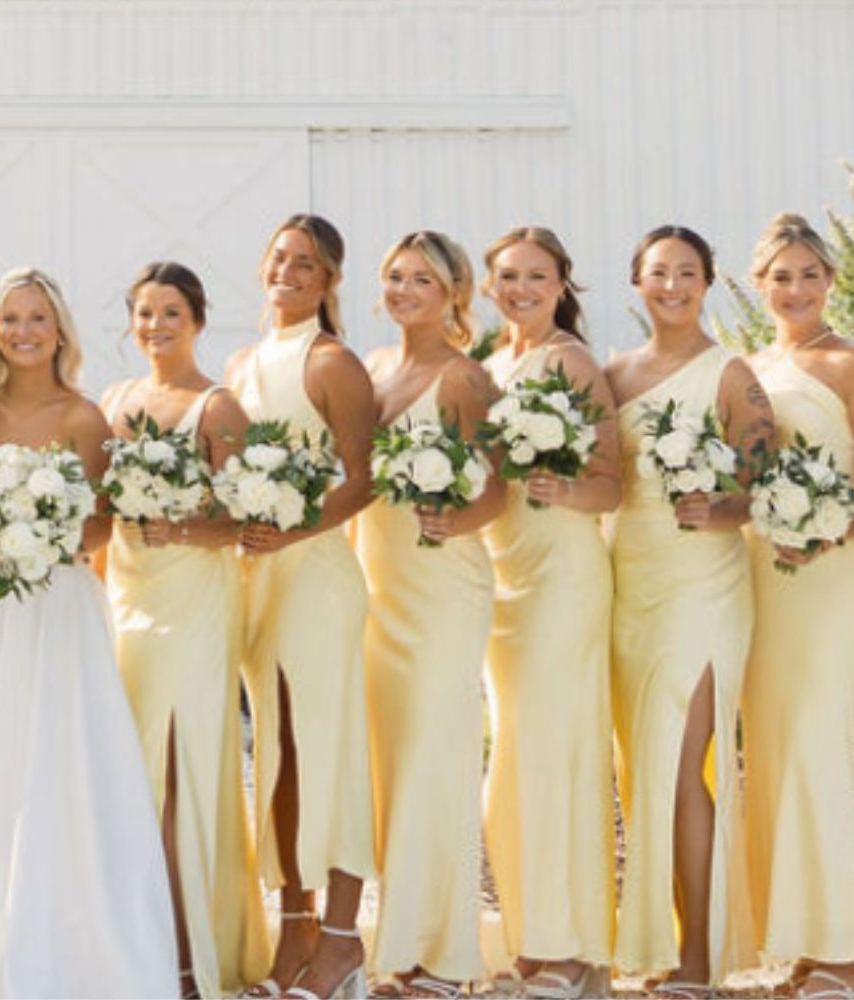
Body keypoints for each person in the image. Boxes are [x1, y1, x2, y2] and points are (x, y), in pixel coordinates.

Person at [0, 267, 180, 996]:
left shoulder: (83, 416)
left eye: (37, 319)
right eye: (11, 319)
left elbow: (102, 525)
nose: (23, 331)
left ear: (59, 332)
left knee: (57, 755)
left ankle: (70, 935)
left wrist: (46, 532)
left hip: (57, 605)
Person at [601, 226, 771, 998]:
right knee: (643, 767)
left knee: (680, 764)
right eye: (658, 273)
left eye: (687, 273)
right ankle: (664, 940)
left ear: (707, 283)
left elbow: (766, 487)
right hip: (629, 581)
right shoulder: (613, 375)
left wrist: (721, 507)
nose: (672, 286)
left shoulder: (731, 375)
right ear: (637, 283)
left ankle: (700, 954)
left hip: (703, 583)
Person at [738, 214, 854, 999]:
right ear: (758, 284)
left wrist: (825, 532)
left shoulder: (852, 364)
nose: (795, 290)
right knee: (774, 750)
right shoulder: (749, 367)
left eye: (809, 275)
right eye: (781, 277)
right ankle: (806, 948)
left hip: (834, 574)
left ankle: (841, 956)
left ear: (830, 281)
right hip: (762, 577)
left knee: (817, 742)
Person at [98, 261, 268, 999]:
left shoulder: (218, 407)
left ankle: (188, 955)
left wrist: (186, 529)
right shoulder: (115, 401)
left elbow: (247, 514)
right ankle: (133, 945)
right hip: (126, 598)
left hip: (193, 602)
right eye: (145, 313)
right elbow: (98, 510)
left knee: (179, 768)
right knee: (130, 771)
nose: (156, 326)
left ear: (197, 320)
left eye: (171, 312)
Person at [225, 213, 378, 1000]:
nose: (287, 272)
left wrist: (292, 530)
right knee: (280, 756)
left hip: (315, 576)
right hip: (258, 582)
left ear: (328, 281)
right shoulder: (242, 363)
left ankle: (343, 939)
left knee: (329, 751)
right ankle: (294, 932)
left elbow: (364, 478)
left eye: (306, 264)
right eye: (279, 257)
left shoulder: (332, 362)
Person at [351, 231, 505, 998]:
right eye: (395, 277)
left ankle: (442, 954)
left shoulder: (466, 378)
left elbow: (498, 488)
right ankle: (399, 943)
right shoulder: (372, 368)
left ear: (453, 294)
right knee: (387, 763)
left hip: (442, 585)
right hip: (375, 583)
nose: (404, 291)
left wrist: (457, 518)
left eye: (421, 280)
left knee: (435, 757)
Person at [478, 226, 619, 1000]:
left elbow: (612, 482)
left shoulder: (572, 363)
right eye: (508, 276)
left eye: (536, 276)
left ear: (562, 284)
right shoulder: (487, 366)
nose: (521, 289)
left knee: (553, 753)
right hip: (500, 573)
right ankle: (534, 940)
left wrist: (562, 487)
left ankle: (569, 949)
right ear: (487, 285)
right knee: (513, 761)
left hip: (562, 574)